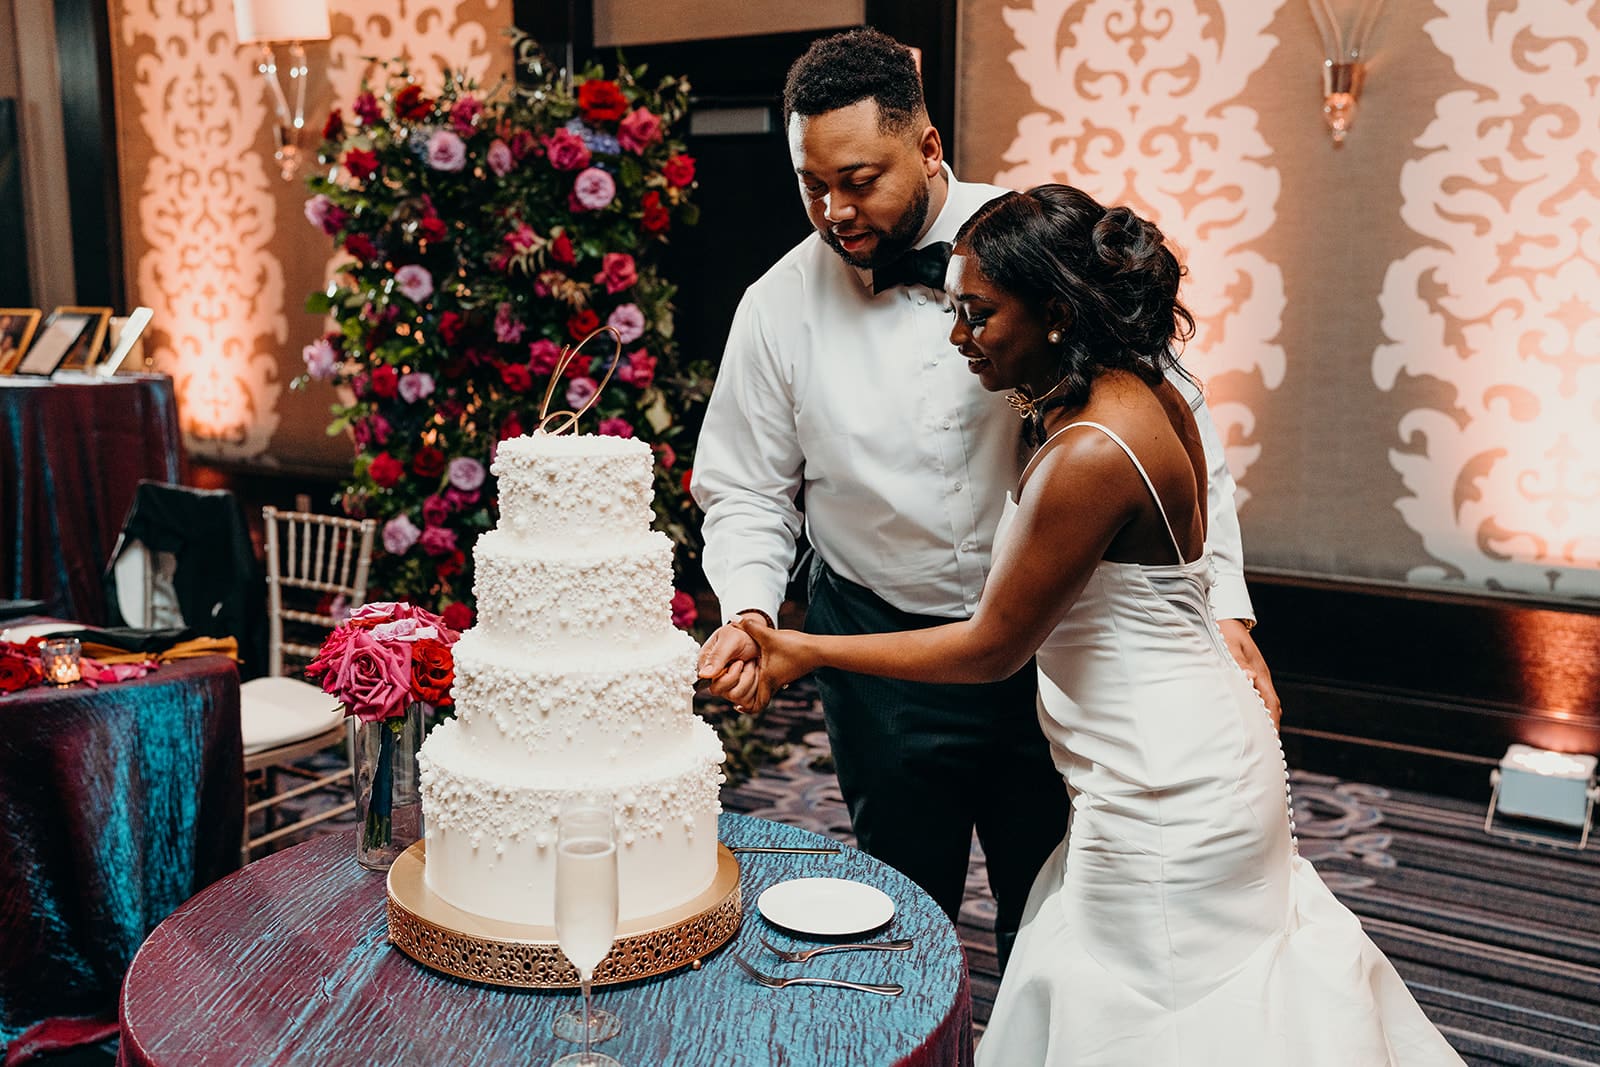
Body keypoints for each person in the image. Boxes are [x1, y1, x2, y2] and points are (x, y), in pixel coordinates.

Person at [718, 185, 1465, 1065]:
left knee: (1156, 1013)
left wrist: (798, 647)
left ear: (1059, 312)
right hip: (1178, 752)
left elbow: (992, 646)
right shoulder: (1127, 389)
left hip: (1161, 787)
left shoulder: (1092, 454)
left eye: (977, 315)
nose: (956, 335)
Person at [691, 27, 1277, 967]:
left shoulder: (1039, 253)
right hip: (878, 651)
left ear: (928, 146)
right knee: (899, 910)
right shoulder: (774, 306)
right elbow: (747, 489)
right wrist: (752, 609)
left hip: (1056, 649)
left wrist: (1228, 610)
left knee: (1056, 912)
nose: (834, 209)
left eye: (859, 177)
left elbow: (1178, 426)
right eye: (812, 183)